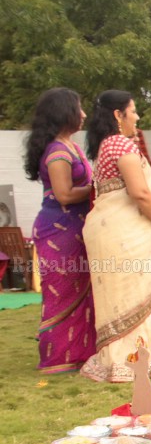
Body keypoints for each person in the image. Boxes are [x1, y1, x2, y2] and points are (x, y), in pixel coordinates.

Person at [80, 90, 151, 383]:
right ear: (117, 115)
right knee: (137, 291)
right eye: (133, 111)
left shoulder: (105, 146)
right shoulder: (121, 144)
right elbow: (139, 193)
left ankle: (120, 360)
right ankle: (140, 361)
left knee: (121, 296)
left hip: (108, 229)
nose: (137, 117)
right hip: (126, 231)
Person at [24, 87, 96, 375]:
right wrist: (99, 188)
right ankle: (57, 358)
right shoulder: (56, 151)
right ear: (64, 113)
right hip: (59, 232)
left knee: (83, 289)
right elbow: (64, 194)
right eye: (78, 108)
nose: (83, 114)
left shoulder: (72, 147)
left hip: (76, 228)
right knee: (63, 292)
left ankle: (81, 352)